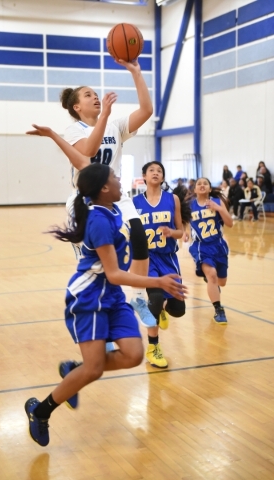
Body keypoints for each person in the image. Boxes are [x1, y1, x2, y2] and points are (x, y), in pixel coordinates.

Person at [24, 163, 188, 447]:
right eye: (114, 177)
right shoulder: (98, 219)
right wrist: (158, 282)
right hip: (88, 298)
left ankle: (77, 368)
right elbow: (113, 273)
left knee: (134, 355)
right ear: (103, 188)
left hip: (111, 296)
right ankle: (40, 411)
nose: (119, 179)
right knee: (94, 370)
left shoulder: (113, 210)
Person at [27, 58, 156, 328]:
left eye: (97, 95)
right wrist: (106, 115)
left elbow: (146, 109)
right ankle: (90, 313)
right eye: (89, 95)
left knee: (139, 236)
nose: (96, 98)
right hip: (86, 199)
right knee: (97, 263)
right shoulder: (75, 129)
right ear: (77, 106)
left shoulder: (116, 125)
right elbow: (86, 151)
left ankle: (139, 298)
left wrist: (136, 73)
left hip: (116, 196)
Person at [132, 161, 191, 368]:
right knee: (154, 299)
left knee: (179, 310)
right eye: (151, 170)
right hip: (147, 259)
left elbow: (180, 231)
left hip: (168, 259)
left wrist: (171, 233)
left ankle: (165, 307)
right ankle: (153, 347)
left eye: (159, 171)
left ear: (163, 178)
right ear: (144, 176)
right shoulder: (134, 202)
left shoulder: (172, 199)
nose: (156, 173)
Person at [185, 177, 233, 324]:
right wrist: (184, 232)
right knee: (212, 274)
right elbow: (183, 221)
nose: (202, 185)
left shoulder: (217, 202)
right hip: (200, 246)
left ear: (210, 189)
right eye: (199, 183)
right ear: (194, 189)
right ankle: (218, 309)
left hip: (218, 245)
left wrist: (218, 209)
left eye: (205, 183)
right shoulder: (189, 206)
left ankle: (212, 281)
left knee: (221, 282)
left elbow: (230, 223)